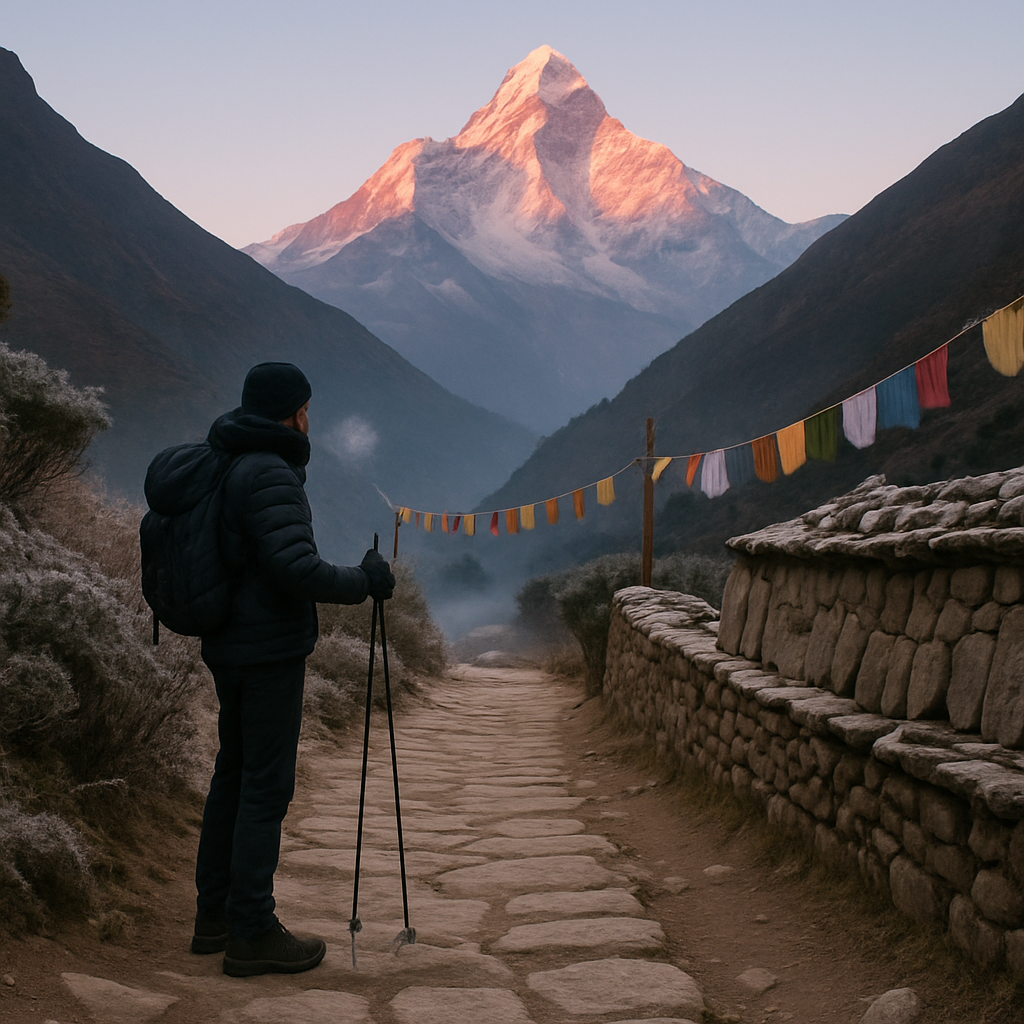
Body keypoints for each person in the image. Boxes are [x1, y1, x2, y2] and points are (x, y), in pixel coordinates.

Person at [186, 361, 395, 977]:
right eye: (307, 407)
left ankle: (214, 917)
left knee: (234, 774)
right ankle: (251, 930)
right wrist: (365, 581)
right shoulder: (269, 471)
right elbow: (294, 569)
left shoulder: (227, 457)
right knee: (265, 785)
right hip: (266, 649)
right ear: (296, 411)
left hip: (228, 641)